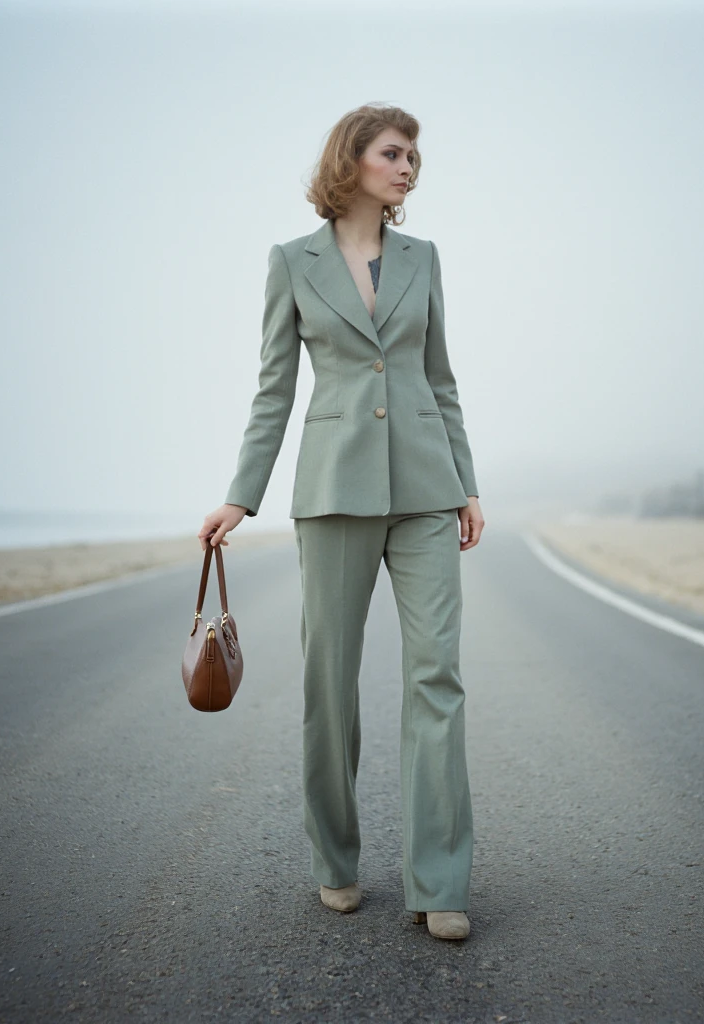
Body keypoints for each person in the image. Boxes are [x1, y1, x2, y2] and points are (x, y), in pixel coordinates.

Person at [197, 103, 484, 941]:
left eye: (413, 156)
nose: (409, 167)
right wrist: (240, 494)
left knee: (438, 678)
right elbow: (274, 391)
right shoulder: (292, 262)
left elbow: (442, 377)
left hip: (428, 490)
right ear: (351, 160)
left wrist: (465, 482)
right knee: (331, 684)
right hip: (331, 495)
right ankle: (336, 861)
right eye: (394, 153)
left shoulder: (424, 259)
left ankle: (440, 881)